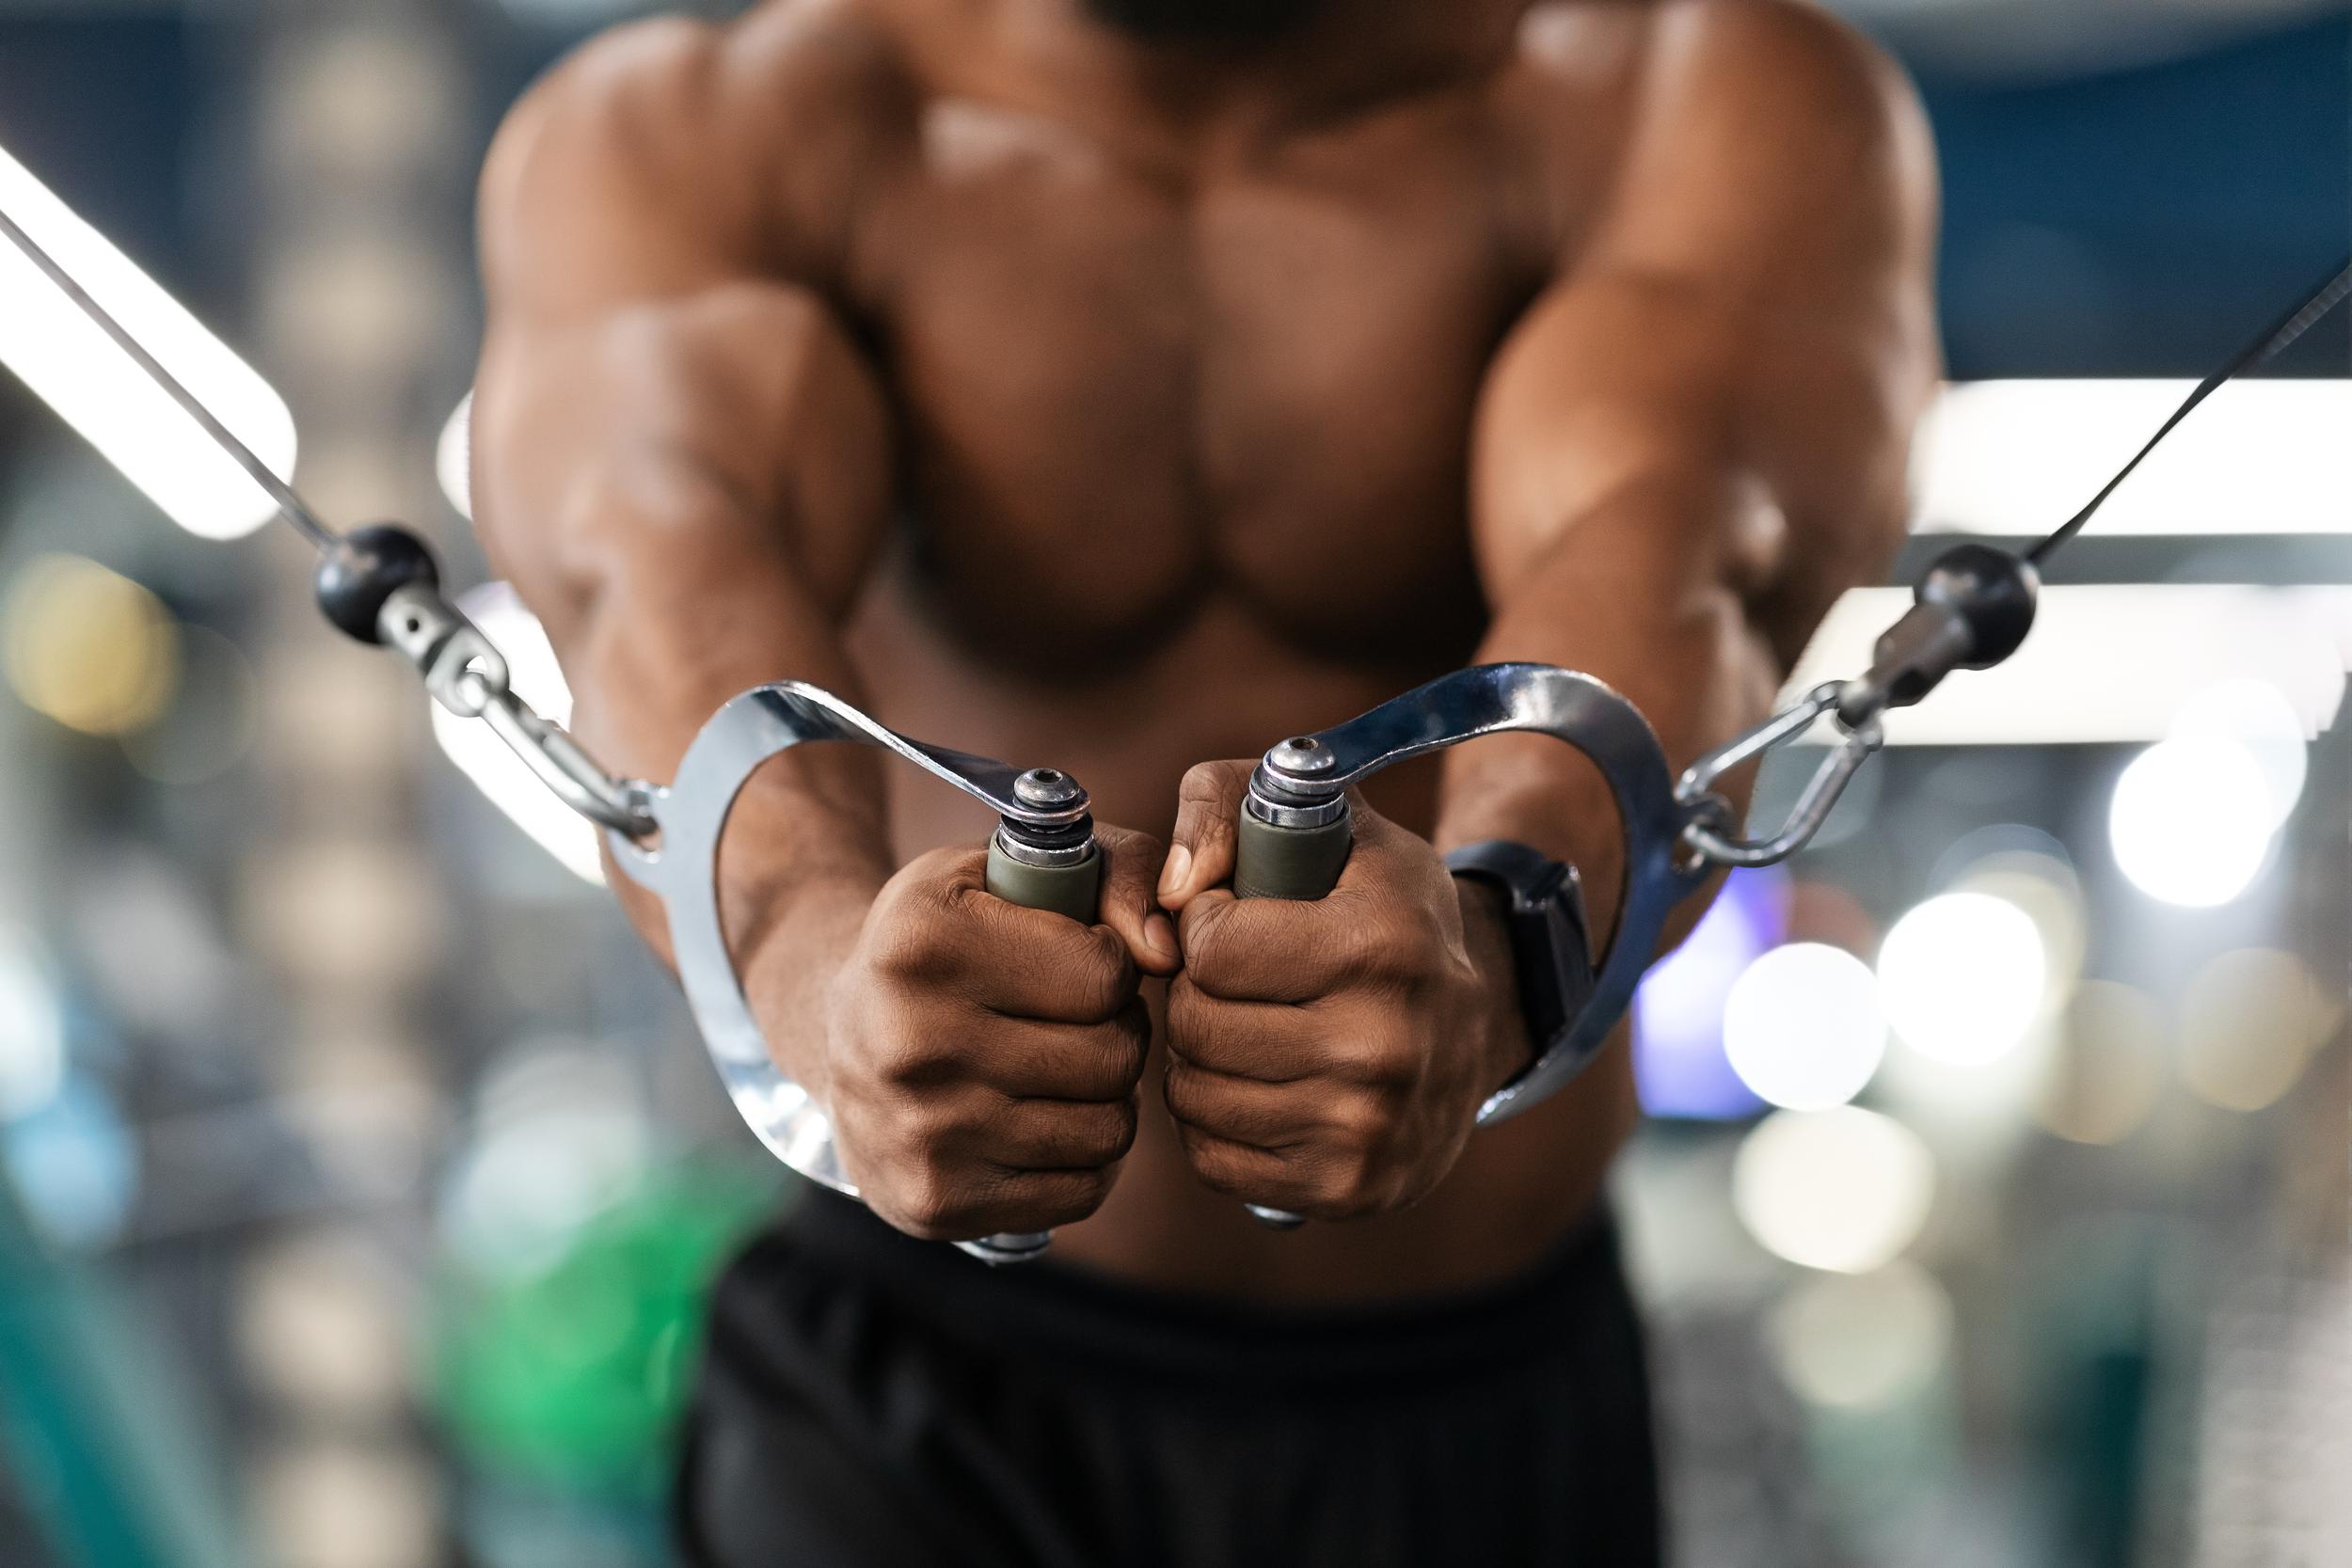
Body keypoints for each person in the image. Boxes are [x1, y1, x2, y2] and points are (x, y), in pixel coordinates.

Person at [469, 0, 1938, 1560]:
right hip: (920, 1377)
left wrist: (1500, 937)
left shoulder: (1681, 95)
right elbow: (659, 577)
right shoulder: (709, 135)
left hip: (1466, 1392)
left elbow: (1681, 561)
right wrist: (826, 974)